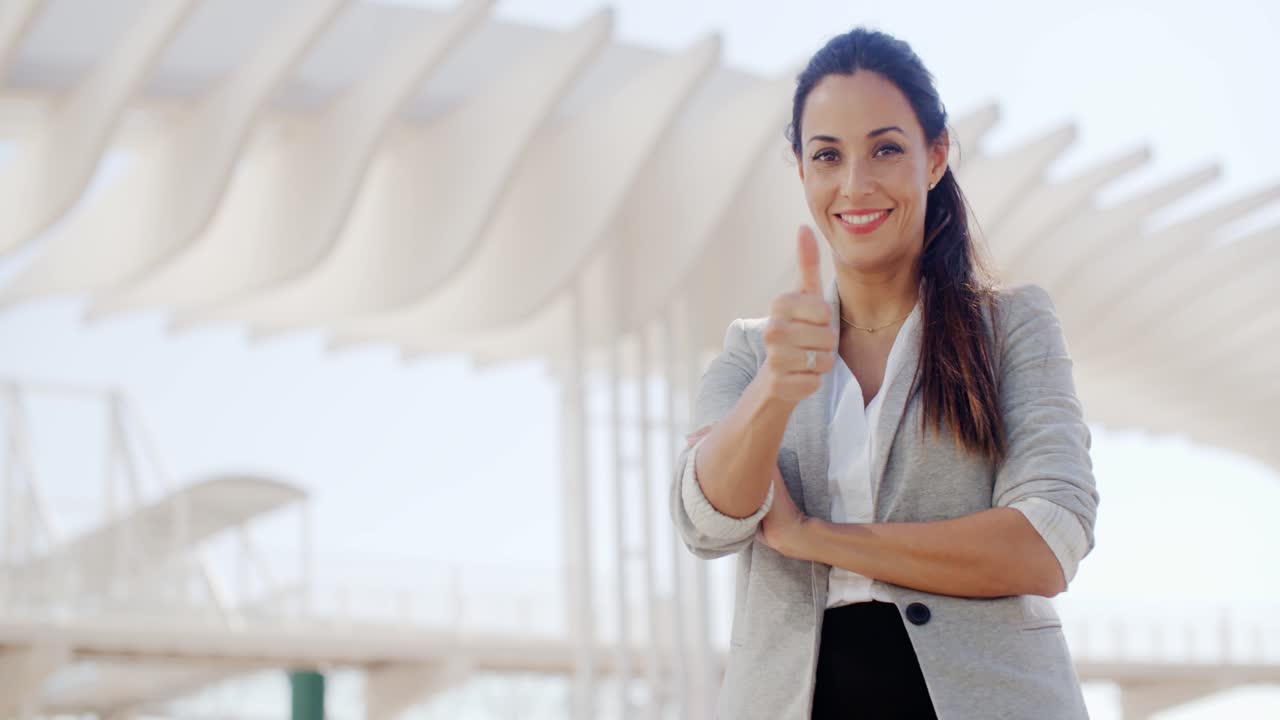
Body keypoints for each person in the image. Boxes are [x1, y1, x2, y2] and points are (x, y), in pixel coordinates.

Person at [669, 28, 1099, 719]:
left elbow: (1046, 541)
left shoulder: (1011, 327)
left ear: (935, 156)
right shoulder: (755, 352)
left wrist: (811, 536)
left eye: (886, 149)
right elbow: (702, 521)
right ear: (800, 168)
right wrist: (773, 394)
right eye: (828, 156)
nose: (856, 184)